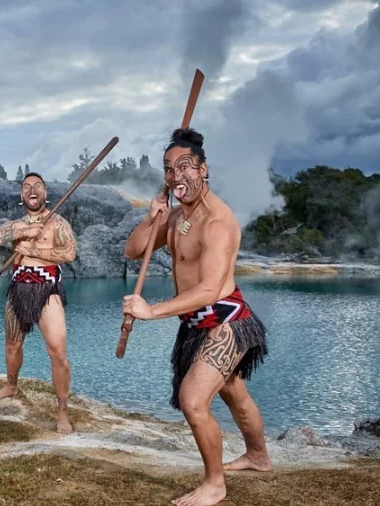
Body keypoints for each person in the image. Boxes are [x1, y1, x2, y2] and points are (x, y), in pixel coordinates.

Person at [122, 128, 271, 506]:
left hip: (226, 322)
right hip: (194, 326)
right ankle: (258, 456)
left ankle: (214, 484)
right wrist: (150, 218)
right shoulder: (173, 216)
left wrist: (151, 310)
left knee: (193, 401)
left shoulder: (218, 222)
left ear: (204, 170)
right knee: (235, 395)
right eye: (169, 169)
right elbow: (132, 251)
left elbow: (209, 288)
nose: (175, 177)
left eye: (184, 167)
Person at [0, 172, 77, 434]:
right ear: (22, 196)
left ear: (45, 193)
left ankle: (62, 411)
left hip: (48, 290)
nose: (32, 190)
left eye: (37, 186)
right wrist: (24, 231)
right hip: (18, 289)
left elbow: (69, 253)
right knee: (13, 345)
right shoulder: (16, 225)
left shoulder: (58, 222)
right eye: (26, 187)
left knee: (57, 351)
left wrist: (32, 250)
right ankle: (11, 385)